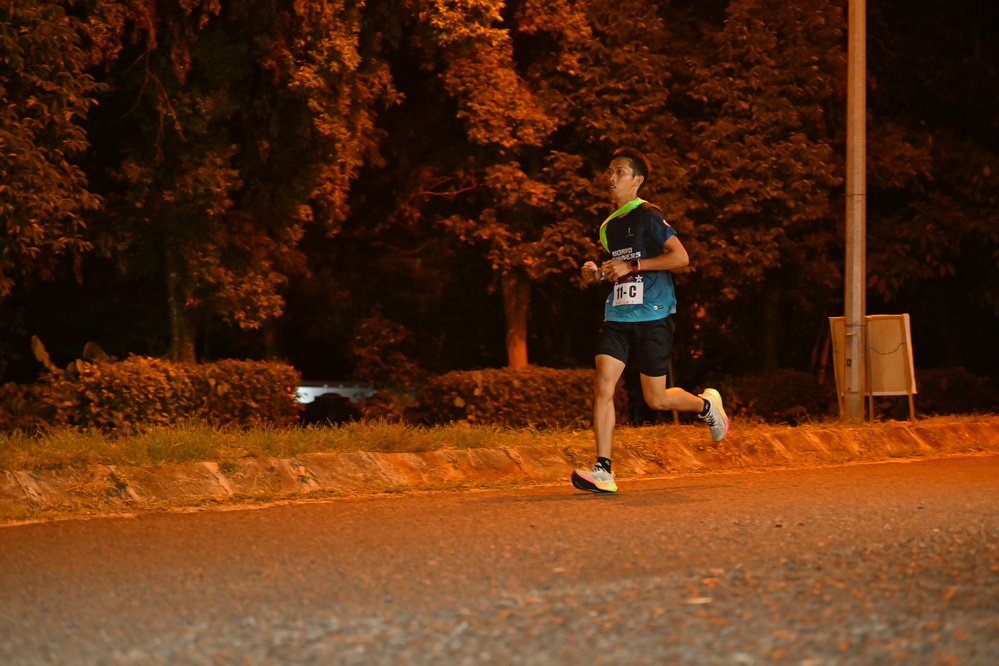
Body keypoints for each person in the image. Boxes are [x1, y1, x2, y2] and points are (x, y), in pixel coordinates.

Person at [571, 147, 729, 494]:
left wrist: (632, 265)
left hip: (653, 314)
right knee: (603, 384)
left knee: (656, 399)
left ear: (637, 180)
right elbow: (621, 268)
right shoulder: (608, 226)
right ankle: (603, 471)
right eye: (609, 171)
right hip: (618, 315)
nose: (611, 177)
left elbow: (681, 258)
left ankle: (706, 405)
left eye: (619, 171)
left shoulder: (649, 215)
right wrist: (599, 274)